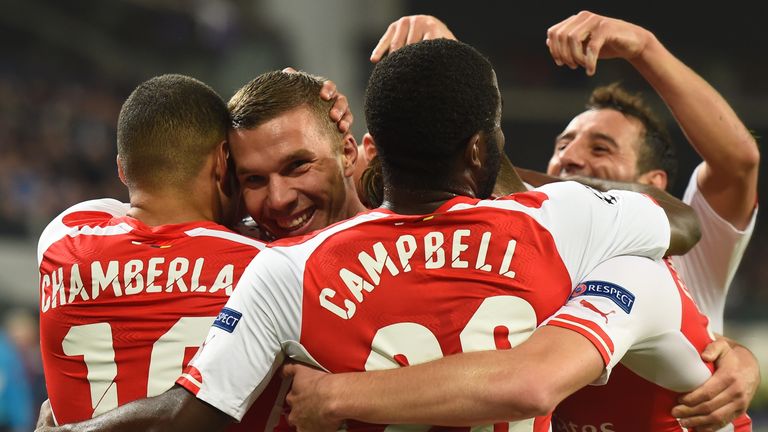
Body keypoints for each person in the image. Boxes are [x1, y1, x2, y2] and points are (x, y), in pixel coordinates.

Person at [34, 38, 696, 432]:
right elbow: (678, 227)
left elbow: (189, 412)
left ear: (356, 148)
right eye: (252, 180)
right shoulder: (557, 225)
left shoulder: (282, 274)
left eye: (298, 167)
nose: (279, 199)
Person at [358, 13, 760, 430]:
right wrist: (452, 74)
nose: (570, 157)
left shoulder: (680, 257)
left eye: (601, 148)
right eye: (563, 144)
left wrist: (644, 47)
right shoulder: (529, 240)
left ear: (653, 184)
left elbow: (739, 162)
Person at [36, 72, 352, 428]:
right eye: (248, 175)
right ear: (223, 162)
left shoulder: (60, 241)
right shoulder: (273, 262)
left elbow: (128, 214)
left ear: (123, 170)